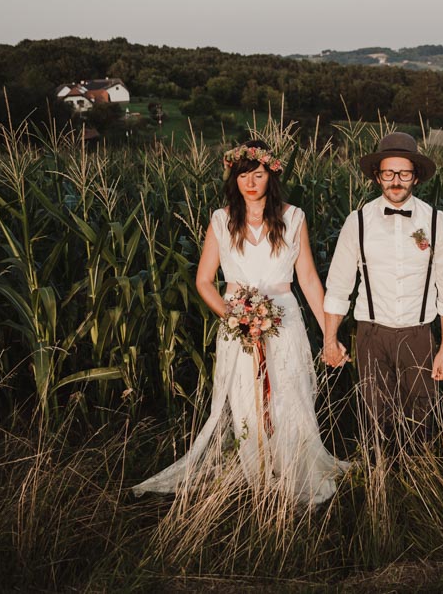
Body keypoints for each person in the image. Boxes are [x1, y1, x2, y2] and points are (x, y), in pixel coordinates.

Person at [133, 139, 349, 504]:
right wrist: (235, 317)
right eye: (243, 175)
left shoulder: (293, 218)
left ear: (271, 176)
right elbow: (204, 281)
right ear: (234, 178)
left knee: (288, 396)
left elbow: (310, 280)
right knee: (246, 399)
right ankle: (258, 474)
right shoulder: (221, 220)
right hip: (238, 323)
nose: (250, 182)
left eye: (258, 174)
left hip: (284, 318)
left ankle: (291, 470)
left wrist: (331, 335)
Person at [322, 132, 443, 448]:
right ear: (377, 176)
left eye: (404, 173)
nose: (396, 181)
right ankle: (377, 474)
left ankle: (417, 475)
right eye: (388, 173)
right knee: (374, 421)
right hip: (371, 335)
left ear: (416, 177)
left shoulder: (436, 222)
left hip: (419, 335)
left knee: (421, 422)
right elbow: (339, 287)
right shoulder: (357, 222)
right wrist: (330, 340)